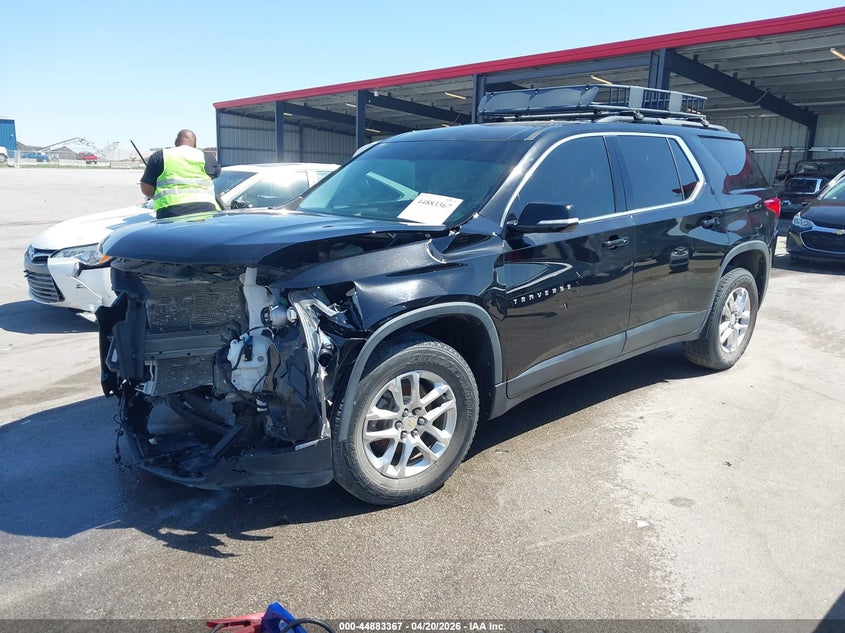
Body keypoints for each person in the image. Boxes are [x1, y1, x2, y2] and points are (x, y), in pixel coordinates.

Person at [140, 129, 222, 219]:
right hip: (206, 211)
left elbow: (146, 189)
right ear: (195, 144)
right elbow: (214, 175)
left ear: (176, 141)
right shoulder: (206, 157)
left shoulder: (160, 156)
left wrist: (162, 196)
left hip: (170, 212)